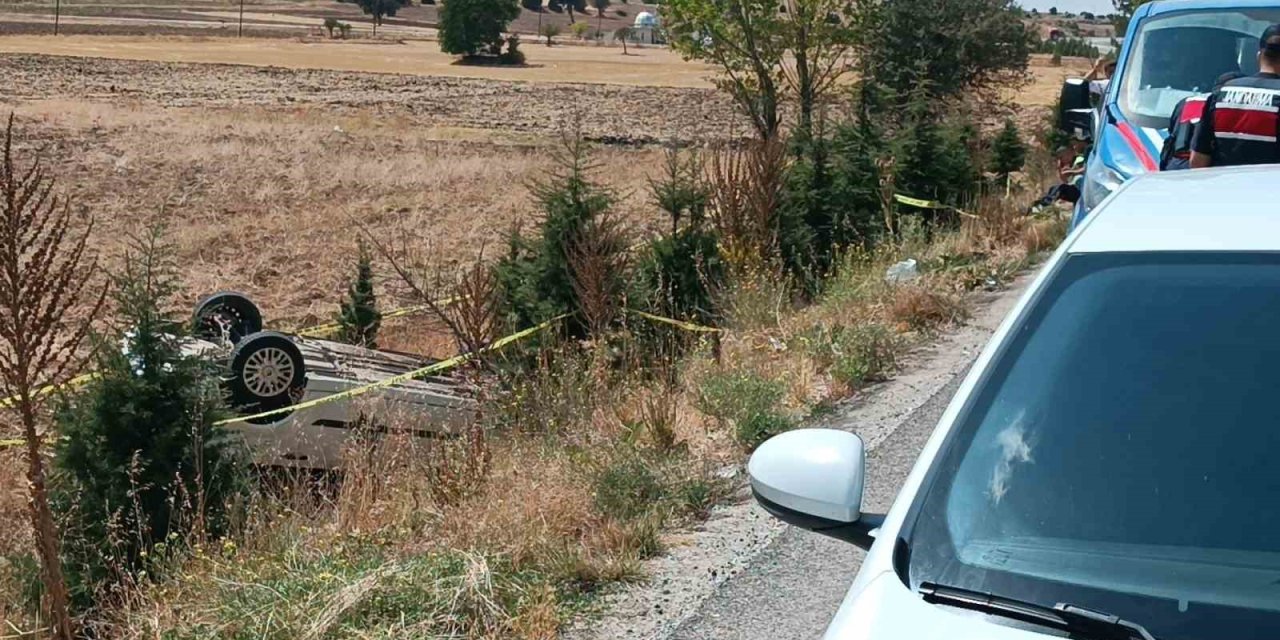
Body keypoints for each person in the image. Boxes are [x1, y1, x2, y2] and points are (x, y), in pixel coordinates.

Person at [1190, 24, 1280, 168]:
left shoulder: (1221, 93)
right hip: (1270, 189)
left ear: (1259, 55)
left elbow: (1197, 161)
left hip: (1224, 187)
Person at [1161, 71, 1245, 170]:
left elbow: (1172, 132)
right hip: (1207, 165)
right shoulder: (1226, 105)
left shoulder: (1185, 102)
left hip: (1176, 164)